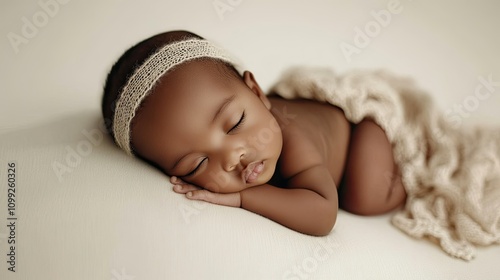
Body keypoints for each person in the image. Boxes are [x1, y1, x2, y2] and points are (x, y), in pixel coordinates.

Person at [101, 30, 407, 236]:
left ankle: (409, 177)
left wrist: (243, 198)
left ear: (256, 91)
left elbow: (323, 214)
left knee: (363, 195)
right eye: (196, 164)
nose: (233, 157)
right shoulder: (253, 130)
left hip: (361, 130)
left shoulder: (293, 138)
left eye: (235, 123)